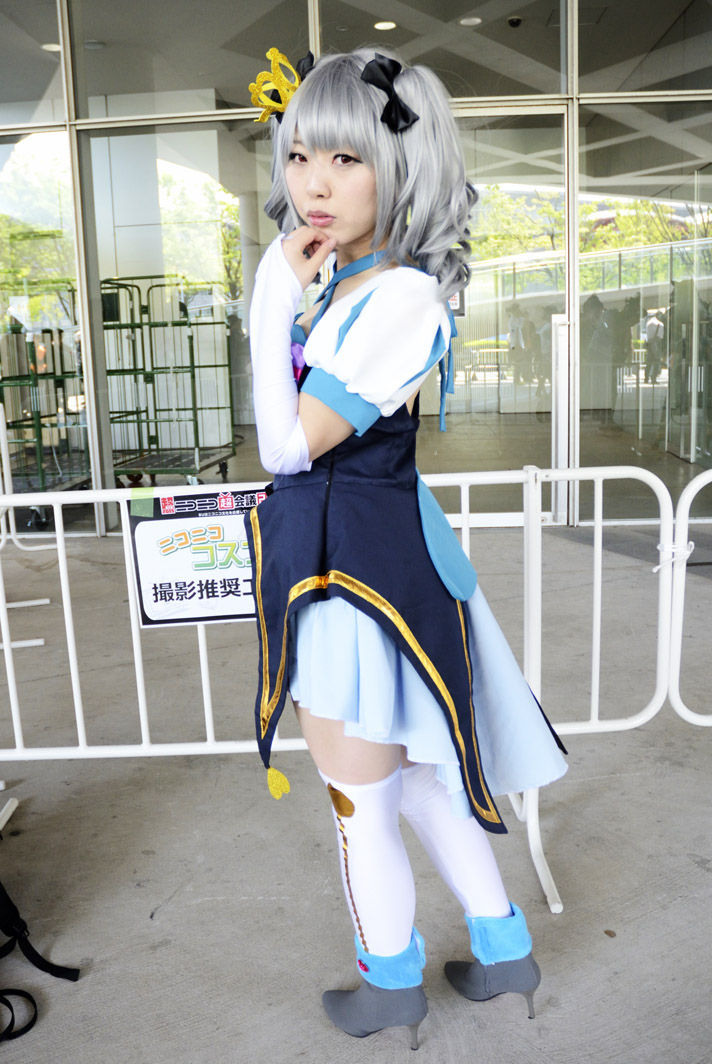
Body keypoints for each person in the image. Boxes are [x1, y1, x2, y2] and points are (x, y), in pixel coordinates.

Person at [245, 47, 567, 1048]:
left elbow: (286, 447)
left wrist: (266, 301)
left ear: (404, 165)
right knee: (417, 776)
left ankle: (389, 981)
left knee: (362, 801)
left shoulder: (398, 299)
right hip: (358, 562)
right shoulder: (357, 288)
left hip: (356, 578)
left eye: (345, 158)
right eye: (301, 155)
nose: (313, 183)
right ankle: (503, 948)